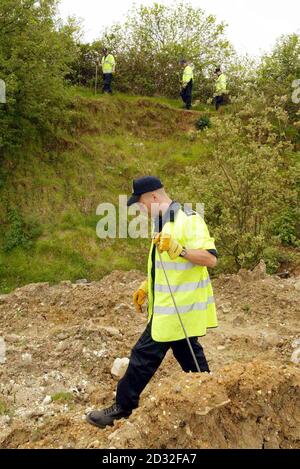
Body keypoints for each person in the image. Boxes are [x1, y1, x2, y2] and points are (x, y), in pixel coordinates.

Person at [86, 176, 218, 429]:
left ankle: (121, 409)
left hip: (179, 308)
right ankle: (211, 395)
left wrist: (180, 249)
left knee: (142, 355)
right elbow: (165, 266)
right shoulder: (163, 222)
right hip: (170, 307)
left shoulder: (189, 220)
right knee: (190, 358)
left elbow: (210, 259)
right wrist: (147, 286)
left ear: (154, 197)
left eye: (141, 203)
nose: (141, 209)